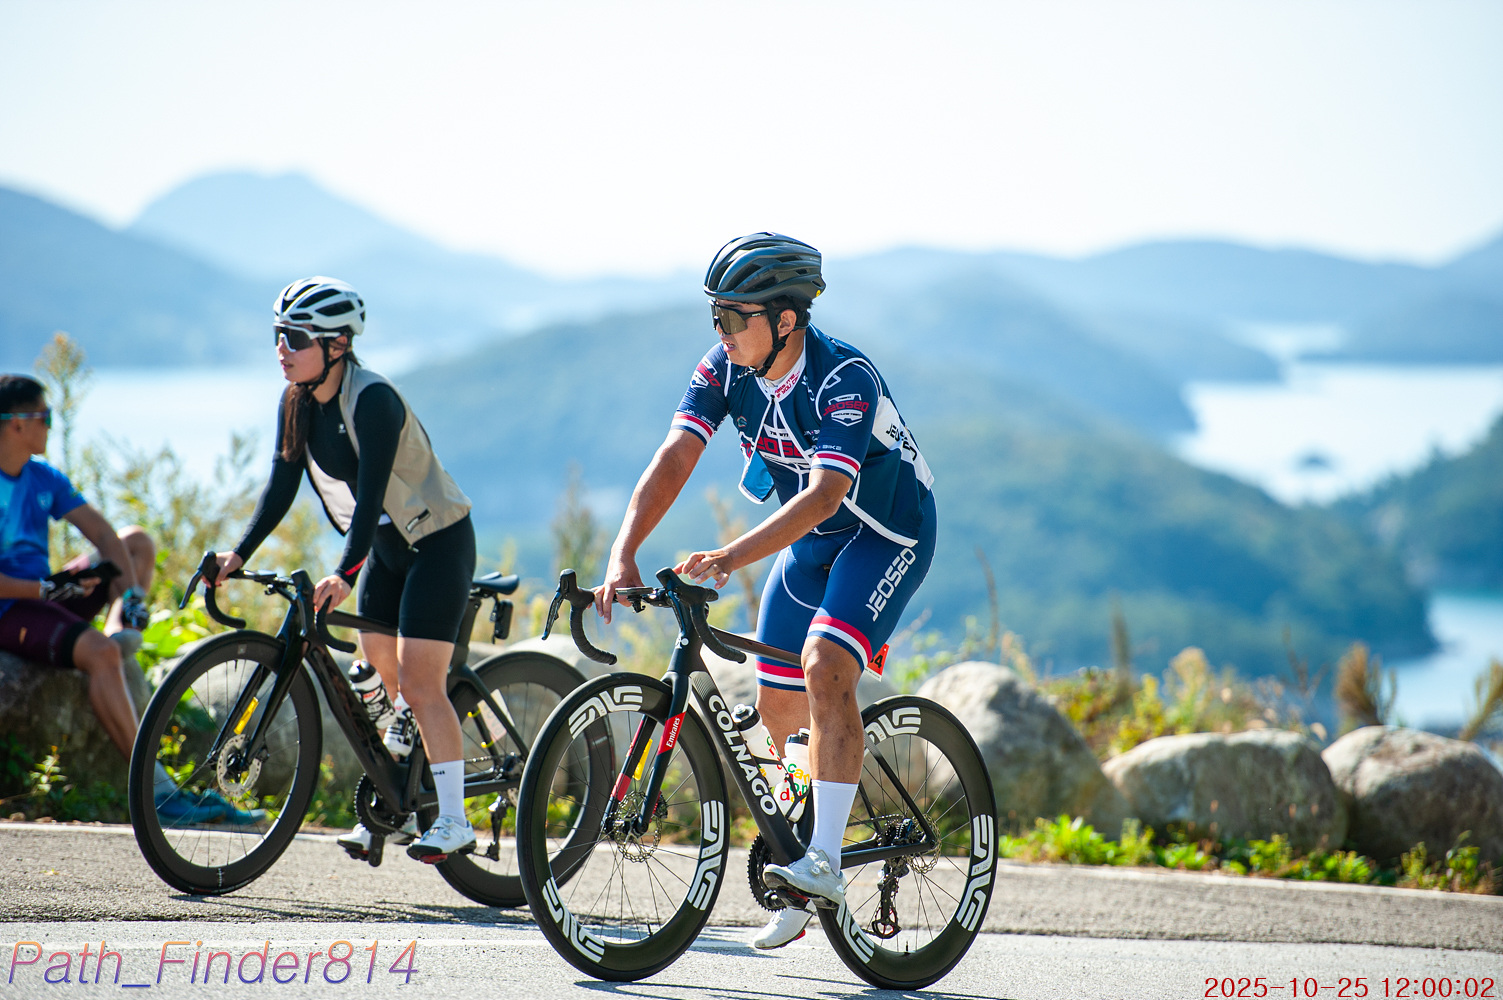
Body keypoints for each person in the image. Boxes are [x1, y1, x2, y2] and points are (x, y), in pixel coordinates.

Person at [596, 233, 937, 949]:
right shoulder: (726, 366)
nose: (720, 331)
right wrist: (623, 551)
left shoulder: (844, 377)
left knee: (824, 664)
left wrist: (728, 556)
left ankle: (826, 861)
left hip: (886, 536)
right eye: (714, 316)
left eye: (732, 317)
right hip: (810, 546)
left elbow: (824, 496)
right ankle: (800, 858)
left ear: (785, 320)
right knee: (776, 701)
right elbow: (676, 455)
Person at [209, 276, 478, 862]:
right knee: (378, 674)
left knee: (420, 682)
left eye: (296, 338)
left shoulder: (373, 401)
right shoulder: (297, 401)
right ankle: (397, 802)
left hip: (438, 544)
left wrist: (344, 574)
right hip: (384, 545)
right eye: (278, 335)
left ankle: (454, 819)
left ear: (337, 345)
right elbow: (280, 485)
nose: (282, 349)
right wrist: (238, 555)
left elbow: (372, 495)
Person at [0, 375, 233, 819]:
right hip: (10, 608)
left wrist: (130, 595)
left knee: (136, 542)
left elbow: (105, 535)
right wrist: (43, 590)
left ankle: (117, 631)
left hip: (41, 594)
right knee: (99, 654)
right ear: (16, 423)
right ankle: (158, 792)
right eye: (45, 417)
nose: (50, 426)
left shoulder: (40, 476)